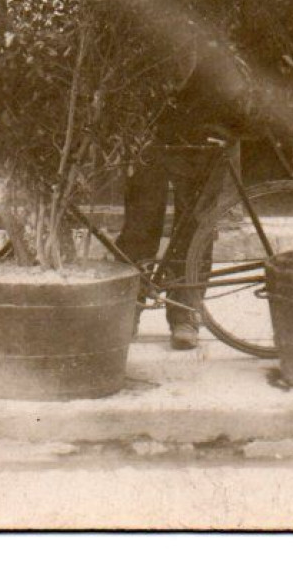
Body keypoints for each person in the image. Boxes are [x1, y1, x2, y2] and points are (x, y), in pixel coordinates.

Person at [118, 40, 253, 352]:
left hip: (201, 144)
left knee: (194, 231)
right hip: (150, 141)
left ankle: (185, 315)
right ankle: (128, 309)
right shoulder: (141, 34)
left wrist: (223, 133)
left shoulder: (211, 35)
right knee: (139, 226)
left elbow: (238, 94)